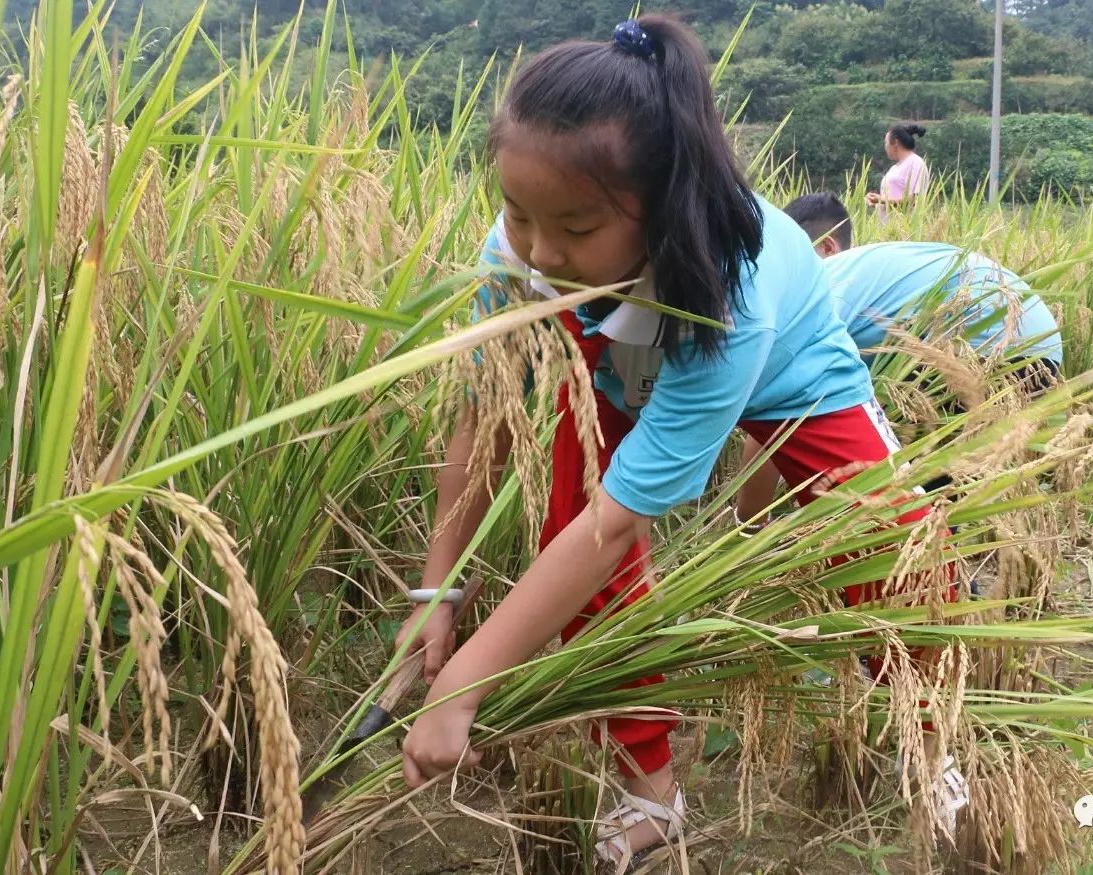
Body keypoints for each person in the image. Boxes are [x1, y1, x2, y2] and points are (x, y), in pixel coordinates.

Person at [396, 20, 961, 868]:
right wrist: (437, 588)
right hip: (602, 361)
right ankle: (648, 785)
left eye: (578, 228)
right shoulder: (521, 261)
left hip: (791, 369)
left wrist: (465, 681)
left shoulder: (735, 298)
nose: (541, 251)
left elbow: (617, 521)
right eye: (518, 215)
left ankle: (945, 738)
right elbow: (484, 416)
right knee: (568, 528)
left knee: (890, 537)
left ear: (661, 205)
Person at [736, 191, 1062, 528]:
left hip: (992, 353)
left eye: (787, 255)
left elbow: (778, 417)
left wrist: (747, 526)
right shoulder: (875, 268)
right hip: (1039, 356)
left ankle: (932, 568)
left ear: (827, 247)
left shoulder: (828, 279)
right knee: (936, 493)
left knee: (909, 498)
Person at [866, 123, 930, 216]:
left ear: (895, 143)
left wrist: (882, 199)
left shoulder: (915, 163)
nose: (885, 147)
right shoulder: (894, 168)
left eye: (886, 143)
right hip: (886, 227)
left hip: (904, 227)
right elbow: (890, 199)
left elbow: (914, 200)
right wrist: (876, 201)